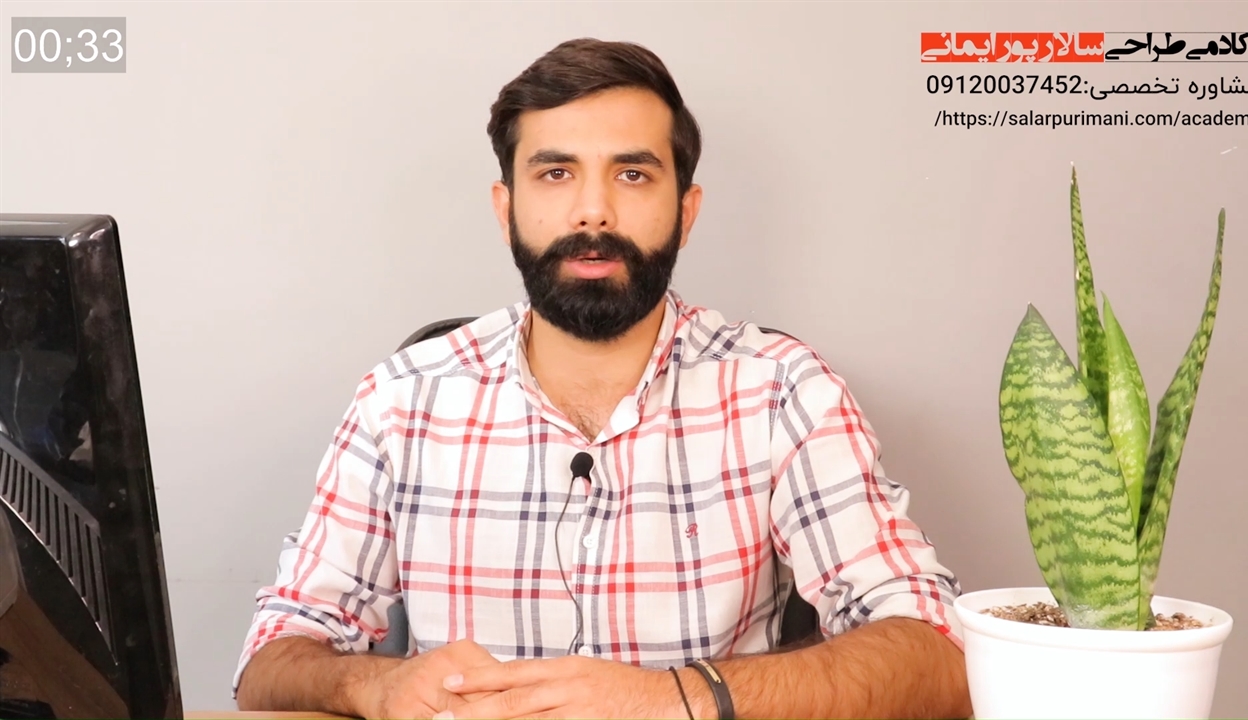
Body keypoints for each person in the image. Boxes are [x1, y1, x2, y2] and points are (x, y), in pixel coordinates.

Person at [233, 37, 971, 719]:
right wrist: (375, 684)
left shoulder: (783, 393)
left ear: (686, 213)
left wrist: (671, 698)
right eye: (555, 173)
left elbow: (940, 650)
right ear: (506, 209)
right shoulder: (402, 400)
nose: (594, 211)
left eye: (632, 174)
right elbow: (271, 656)